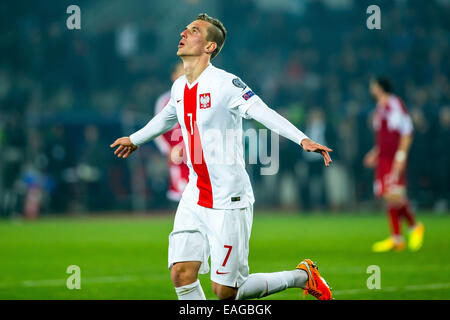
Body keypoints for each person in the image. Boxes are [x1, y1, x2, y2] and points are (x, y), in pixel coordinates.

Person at [111, 13, 333, 300]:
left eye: (193, 30)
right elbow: (165, 119)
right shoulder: (179, 88)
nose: (183, 32)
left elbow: (263, 111)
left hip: (229, 197)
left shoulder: (226, 84)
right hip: (195, 192)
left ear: (209, 47)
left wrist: (301, 138)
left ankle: (303, 276)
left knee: (227, 292)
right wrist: (135, 139)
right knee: (181, 273)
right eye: (186, 28)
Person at [364, 77, 424, 252]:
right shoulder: (380, 107)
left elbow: (406, 131)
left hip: (392, 158)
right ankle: (397, 239)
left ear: (380, 87)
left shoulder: (394, 104)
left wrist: (401, 155)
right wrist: (375, 152)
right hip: (383, 157)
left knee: (394, 194)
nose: (371, 88)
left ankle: (414, 227)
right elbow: (386, 136)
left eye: (373, 85)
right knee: (387, 194)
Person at [153, 62, 189, 202]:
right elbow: (158, 130)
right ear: (173, 76)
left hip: (200, 155)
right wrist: (168, 151)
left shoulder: (201, 94)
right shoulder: (165, 100)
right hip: (178, 156)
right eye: (181, 71)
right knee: (182, 196)